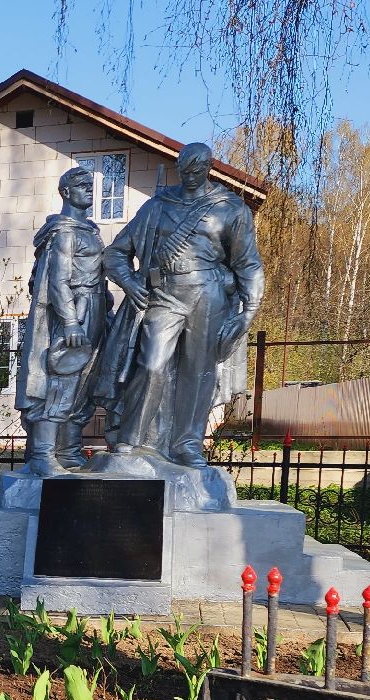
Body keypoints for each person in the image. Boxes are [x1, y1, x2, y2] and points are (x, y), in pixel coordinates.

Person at [94, 141, 264, 467]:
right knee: (152, 363)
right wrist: (129, 283)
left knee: (198, 372)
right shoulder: (158, 205)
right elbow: (116, 253)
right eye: (184, 170)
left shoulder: (230, 209)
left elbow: (248, 264)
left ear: (208, 168)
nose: (189, 176)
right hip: (165, 294)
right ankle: (132, 439)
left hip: (209, 295)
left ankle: (187, 444)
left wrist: (249, 311)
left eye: (196, 171)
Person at [17, 166, 112, 474]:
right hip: (74, 311)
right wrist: (71, 321)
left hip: (95, 310)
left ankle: (69, 450)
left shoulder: (90, 230)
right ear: (66, 192)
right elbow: (58, 281)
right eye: (82, 185)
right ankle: (44, 454)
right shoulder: (65, 232)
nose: (89, 189)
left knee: (85, 383)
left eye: (90, 185)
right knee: (60, 380)